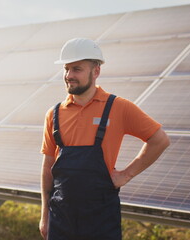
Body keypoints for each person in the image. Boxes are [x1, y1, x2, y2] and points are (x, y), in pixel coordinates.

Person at [39, 38, 170, 240]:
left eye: (77, 69)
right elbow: (48, 166)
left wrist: (127, 174)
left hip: (100, 221)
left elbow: (159, 140)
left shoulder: (118, 107)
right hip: (61, 219)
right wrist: (44, 216)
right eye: (66, 69)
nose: (69, 76)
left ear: (96, 71)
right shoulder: (54, 114)